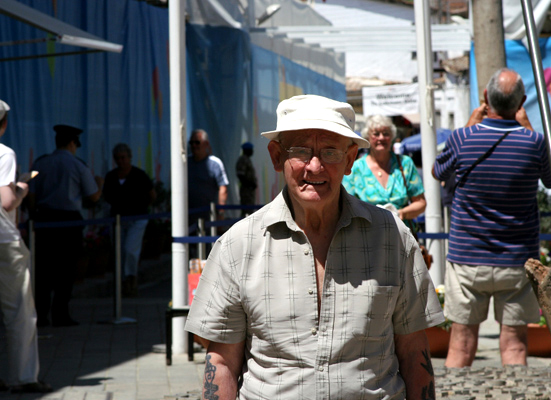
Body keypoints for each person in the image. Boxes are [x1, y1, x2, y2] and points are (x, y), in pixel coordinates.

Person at [185, 94, 444, 399]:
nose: (315, 166)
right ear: (277, 156)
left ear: (349, 160)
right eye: (301, 151)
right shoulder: (237, 245)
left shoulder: (393, 239)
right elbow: (221, 362)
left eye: (330, 152)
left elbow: (415, 352)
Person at [432, 68, 551, 368]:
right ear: (521, 102)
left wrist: (469, 125)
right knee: (515, 348)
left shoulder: (463, 138)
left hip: (466, 259)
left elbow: (438, 172)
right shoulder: (534, 143)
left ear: (486, 98)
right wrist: (529, 130)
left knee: (460, 346)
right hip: (516, 261)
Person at [0, 96, 52, 393]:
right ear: (4, 123)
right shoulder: (3, 153)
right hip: (2, 240)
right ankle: (24, 377)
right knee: (20, 312)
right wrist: (22, 186)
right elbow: (9, 201)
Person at [29, 124, 103, 327]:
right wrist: (100, 182)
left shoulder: (40, 163)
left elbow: (31, 196)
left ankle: (41, 316)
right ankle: (61, 314)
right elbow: (94, 195)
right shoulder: (78, 165)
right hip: (69, 222)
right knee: (66, 270)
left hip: (44, 221)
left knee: (43, 271)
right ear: (73, 143)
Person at [343, 114, 426, 222]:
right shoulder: (355, 168)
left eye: (386, 134)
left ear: (392, 137)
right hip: (367, 233)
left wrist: (401, 213)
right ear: (367, 137)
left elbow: (421, 203)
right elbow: (345, 207)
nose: (381, 137)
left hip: (401, 233)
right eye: (376, 134)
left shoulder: (405, 163)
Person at [103, 143, 156, 297]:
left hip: (137, 219)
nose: (121, 161)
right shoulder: (111, 176)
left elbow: (152, 195)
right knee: (119, 252)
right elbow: (107, 197)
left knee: (130, 250)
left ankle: (131, 279)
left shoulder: (139, 175)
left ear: (129, 157)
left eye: (123, 158)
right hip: (118, 220)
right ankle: (122, 282)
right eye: (118, 158)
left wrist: (140, 207)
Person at [187, 128, 229, 228]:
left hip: (209, 217)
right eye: (191, 143)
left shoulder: (215, 163)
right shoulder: (184, 163)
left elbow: (223, 189)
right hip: (187, 216)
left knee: (210, 242)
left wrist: (221, 213)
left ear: (206, 144)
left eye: (197, 142)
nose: (194, 145)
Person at [235, 141, 257, 217]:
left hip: (249, 190)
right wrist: (249, 184)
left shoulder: (247, 159)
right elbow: (241, 175)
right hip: (246, 190)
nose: (252, 151)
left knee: (250, 210)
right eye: (251, 149)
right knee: (246, 210)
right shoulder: (243, 160)